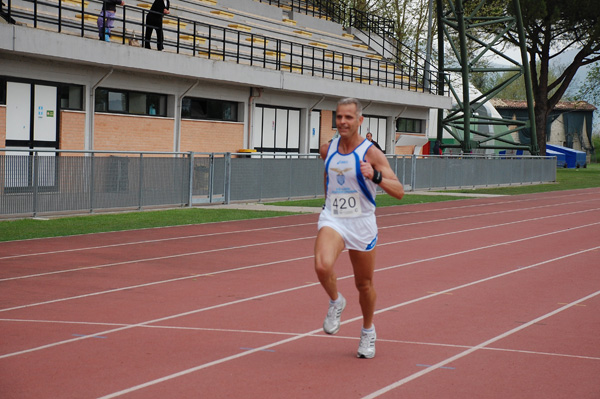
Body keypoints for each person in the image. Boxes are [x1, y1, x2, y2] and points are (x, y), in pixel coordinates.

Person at [314, 98, 404, 358]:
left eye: (348, 117)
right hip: (334, 217)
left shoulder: (371, 153)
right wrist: (329, 203)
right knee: (322, 265)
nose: (342, 122)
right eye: (339, 117)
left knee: (363, 284)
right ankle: (335, 301)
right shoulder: (327, 149)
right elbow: (327, 175)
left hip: (362, 222)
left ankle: (367, 331)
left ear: (359, 120)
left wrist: (375, 175)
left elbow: (398, 191)